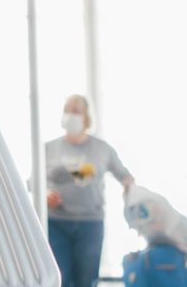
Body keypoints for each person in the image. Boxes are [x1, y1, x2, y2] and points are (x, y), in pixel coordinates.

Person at [46, 94, 135, 287]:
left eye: (76, 111)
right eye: (67, 111)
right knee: (60, 278)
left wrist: (132, 192)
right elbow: (33, 183)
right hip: (56, 224)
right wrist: (45, 193)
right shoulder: (48, 148)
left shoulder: (102, 149)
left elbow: (125, 176)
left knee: (86, 280)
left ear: (86, 117)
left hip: (90, 224)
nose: (70, 115)